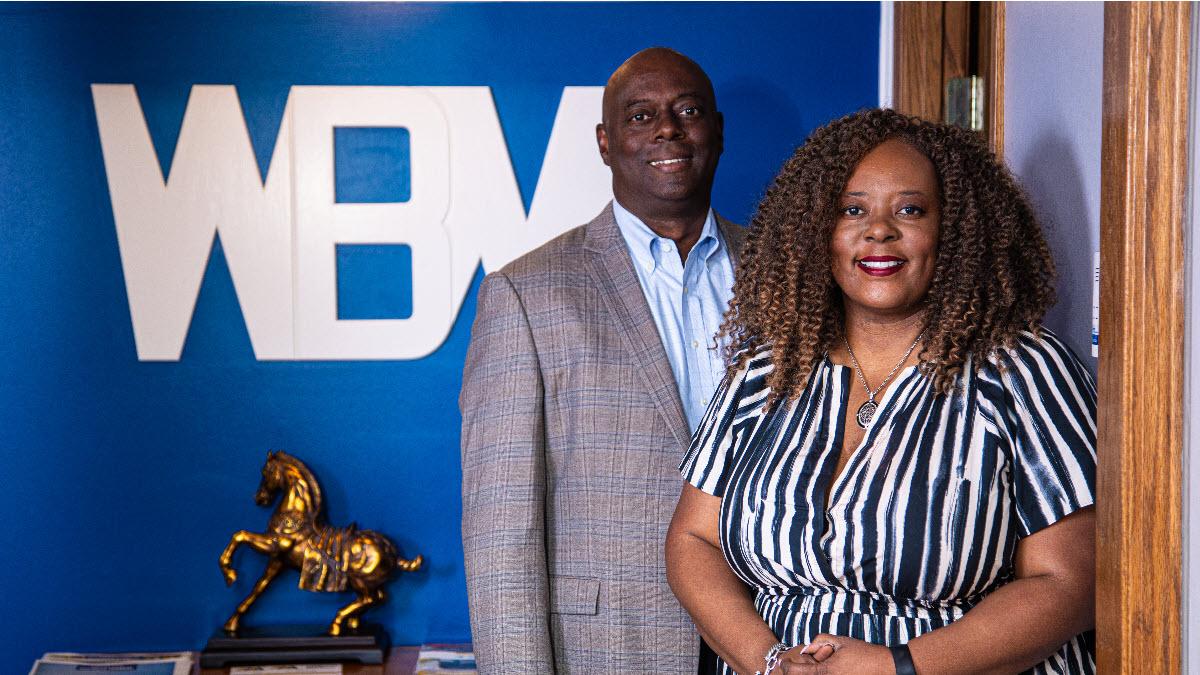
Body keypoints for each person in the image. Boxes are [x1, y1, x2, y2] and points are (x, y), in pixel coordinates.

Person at [666, 108, 1096, 675]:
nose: (879, 230)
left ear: (955, 229)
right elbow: (693, 541)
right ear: (816, 229)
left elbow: (1072, 582)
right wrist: (767, 661)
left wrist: (898, 666)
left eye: (910, 210)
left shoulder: (1021, 371)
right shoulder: (766, 372)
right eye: (852, 209)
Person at [461, 47, 745, 673]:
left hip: (775, 636)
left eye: (687, 110)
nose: (667, 129)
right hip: (610, 647)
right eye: (640, 116)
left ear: (717, 132)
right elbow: (500, 535)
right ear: (604, 142)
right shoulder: (526, 294)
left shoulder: (788, 277)